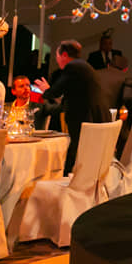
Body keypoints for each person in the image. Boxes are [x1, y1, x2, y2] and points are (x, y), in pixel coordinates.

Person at [34, 40, 110, 173]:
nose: (57, 60)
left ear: (64, 55)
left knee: (76, 153)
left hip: (87, 119)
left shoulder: (73, 67)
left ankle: (70, 178)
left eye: (57, 56)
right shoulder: (82, 66)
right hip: (96, 117)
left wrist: (46, 90)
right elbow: (69, 95)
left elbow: (56, 91)